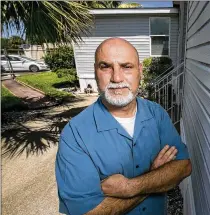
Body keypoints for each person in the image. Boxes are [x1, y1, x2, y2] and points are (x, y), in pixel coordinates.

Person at [55, 38, 192, 215]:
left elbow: (183, 166)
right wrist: (155, 178)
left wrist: (129, 187)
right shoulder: (75, 134)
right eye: (106, 67)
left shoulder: (156, 113)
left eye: (126, 67)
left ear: (139, 71)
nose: (117, 78)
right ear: (95, 71)